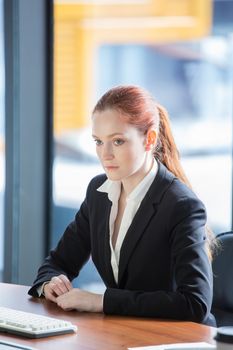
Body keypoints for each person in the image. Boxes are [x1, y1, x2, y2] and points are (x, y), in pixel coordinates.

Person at [28, 85, 216, 326]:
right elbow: (58, 262)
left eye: (117, 141)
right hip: (124, 331)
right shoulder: (99, 193)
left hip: (177, 340)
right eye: (98, 141)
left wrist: (101, 302)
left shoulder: (181, 205)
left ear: (149, 139)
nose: (105, 154)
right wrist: (50, 283)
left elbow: (194, 303)